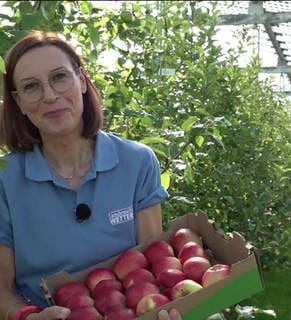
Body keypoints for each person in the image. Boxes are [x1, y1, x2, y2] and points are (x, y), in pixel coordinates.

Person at [0, 30, 181, 320]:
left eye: (59, 77)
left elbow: (153, 263)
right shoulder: (5, 182)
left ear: (82, 81)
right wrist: (27, 316)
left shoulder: (136, 163)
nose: (50, 95)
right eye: (31, 86)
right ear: (19, 102)